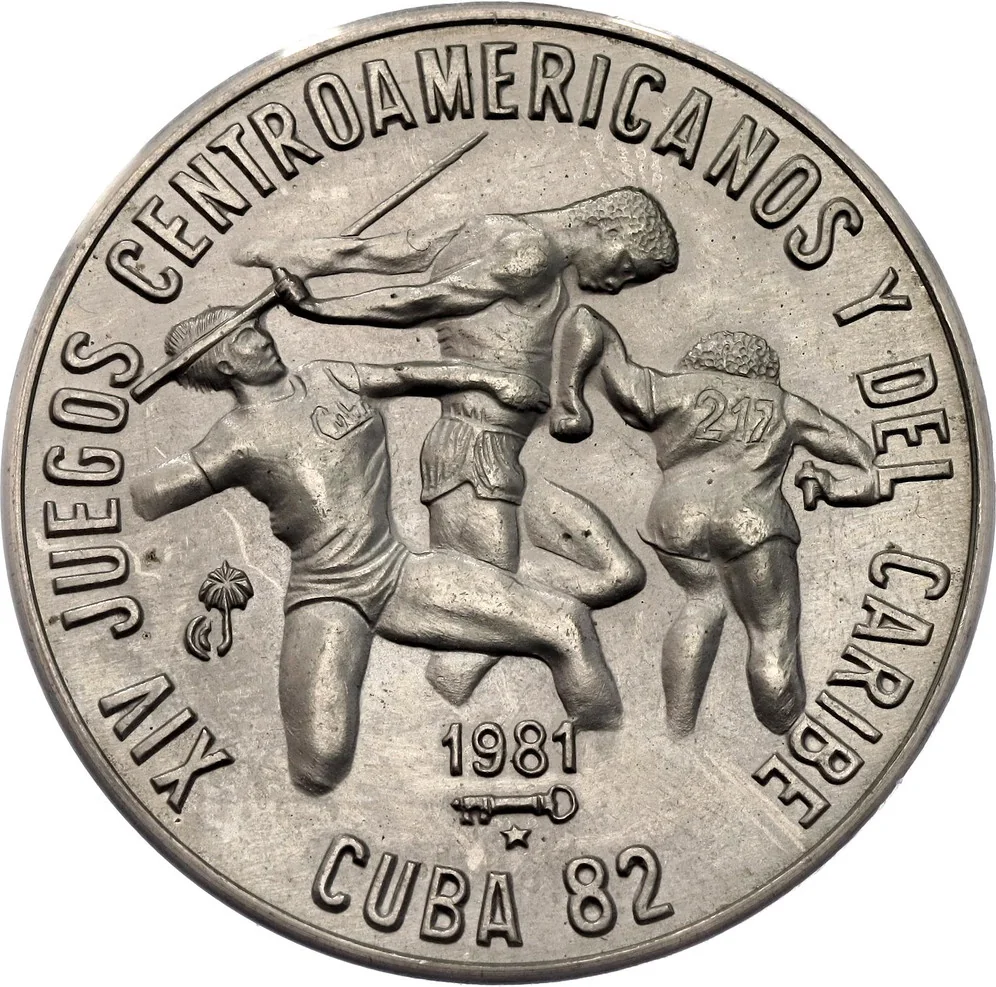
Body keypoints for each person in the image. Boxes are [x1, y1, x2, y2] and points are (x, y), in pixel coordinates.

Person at [131, 307, 625, 795]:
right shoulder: (234, 438)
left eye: (255, 325)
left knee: (564, 624)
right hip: (327, 594)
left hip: (396, 571)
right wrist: (147, 489)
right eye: (243, 336)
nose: (261, 336)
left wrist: (493, 380)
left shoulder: (325, 376)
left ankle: (609, 771)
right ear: (225, 365)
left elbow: (406, 374)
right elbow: (151, 495)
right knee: (320, 765)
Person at [244, 186, 676, 701]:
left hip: (503, 456)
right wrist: (318, 309)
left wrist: (289, 254)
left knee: (615, 576)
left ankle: (452, 666)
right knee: (502, 614)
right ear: (608, 229)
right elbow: (423, 300)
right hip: (474, 451)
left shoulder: (486, 228)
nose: (618, 284)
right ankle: (455, 689)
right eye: (627, 267)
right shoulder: (531, 254)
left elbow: (374, 251)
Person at [552, 307, 880, 736]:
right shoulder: (786, 405)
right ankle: (784, 727)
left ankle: (679, 728)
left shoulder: (670, 390)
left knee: (702, 603)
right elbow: (864, 462)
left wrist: (570, 400)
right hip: (752, 522)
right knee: (771, 633)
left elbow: (586, 320)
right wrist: (831, 486)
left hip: (677, 519)